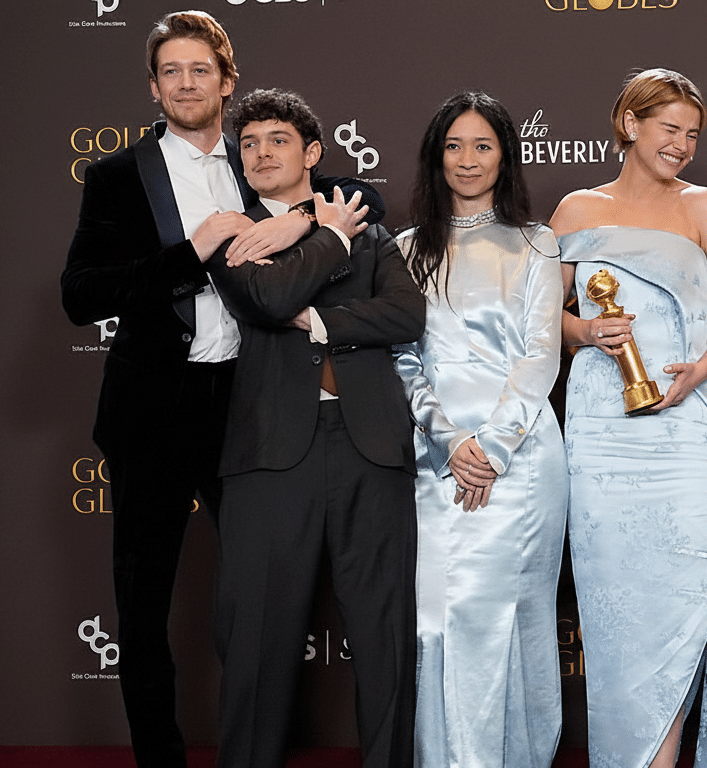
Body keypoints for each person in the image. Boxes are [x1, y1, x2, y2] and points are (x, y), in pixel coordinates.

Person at [60, 12, 319, 767]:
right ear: (153, 86)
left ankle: (256, 751)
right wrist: (190, 253)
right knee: (142, 611)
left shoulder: (260, 162)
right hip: (152, 414)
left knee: (262, 598)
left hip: (249, 406)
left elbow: (342, 200)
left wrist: (302, 223)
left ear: (227, 80)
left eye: (199, 69)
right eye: (170, 71)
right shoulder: (114, 175)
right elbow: (80, 295)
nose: (185, 82)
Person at [204, 88, 423, 768]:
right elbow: (267, 298)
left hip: (373, 446)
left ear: (313, 153)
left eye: (277, 140)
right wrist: (324, 234)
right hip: (271, 453)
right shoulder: (229, 233)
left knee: (385, 637)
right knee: (257, 641)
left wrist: (323, 321)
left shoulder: (375, 231)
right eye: (249, 144)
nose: (262, 153)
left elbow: (405, 316)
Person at [550, 68, 707, 768]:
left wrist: (698, 373)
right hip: (603, 430)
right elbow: (540, 319)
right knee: (618, 613)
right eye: (670, 128)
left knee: (683, 603)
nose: (683, 145)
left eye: (694, 135)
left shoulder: (703, 207)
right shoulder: (576, 209)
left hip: (688, 427)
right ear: (630, 124)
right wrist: (584, 335)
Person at [392, 91, 567, 768]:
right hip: (435, 459)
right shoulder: (405, 249)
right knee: (438, 618)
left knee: (509, 619)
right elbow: (402, 357)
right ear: (437, 157)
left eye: (483, 146)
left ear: (506, 157)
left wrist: (490, 448)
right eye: (454, 146)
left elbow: (539, 355)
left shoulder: (535, 243)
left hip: (519, 462)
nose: (467, 160)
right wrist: (450, 441)